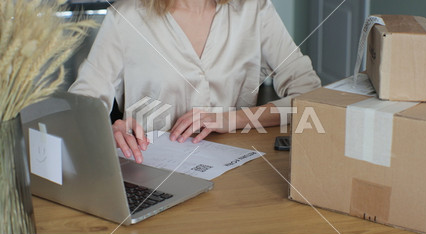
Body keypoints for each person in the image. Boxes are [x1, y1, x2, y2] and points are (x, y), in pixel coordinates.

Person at [69, 0, 321, 163]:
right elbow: (81, 103)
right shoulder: (126, 17)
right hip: (151, 173)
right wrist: (108, 129)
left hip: (238, 173)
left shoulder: (254, 9)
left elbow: (313, 97)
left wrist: (230, 119)